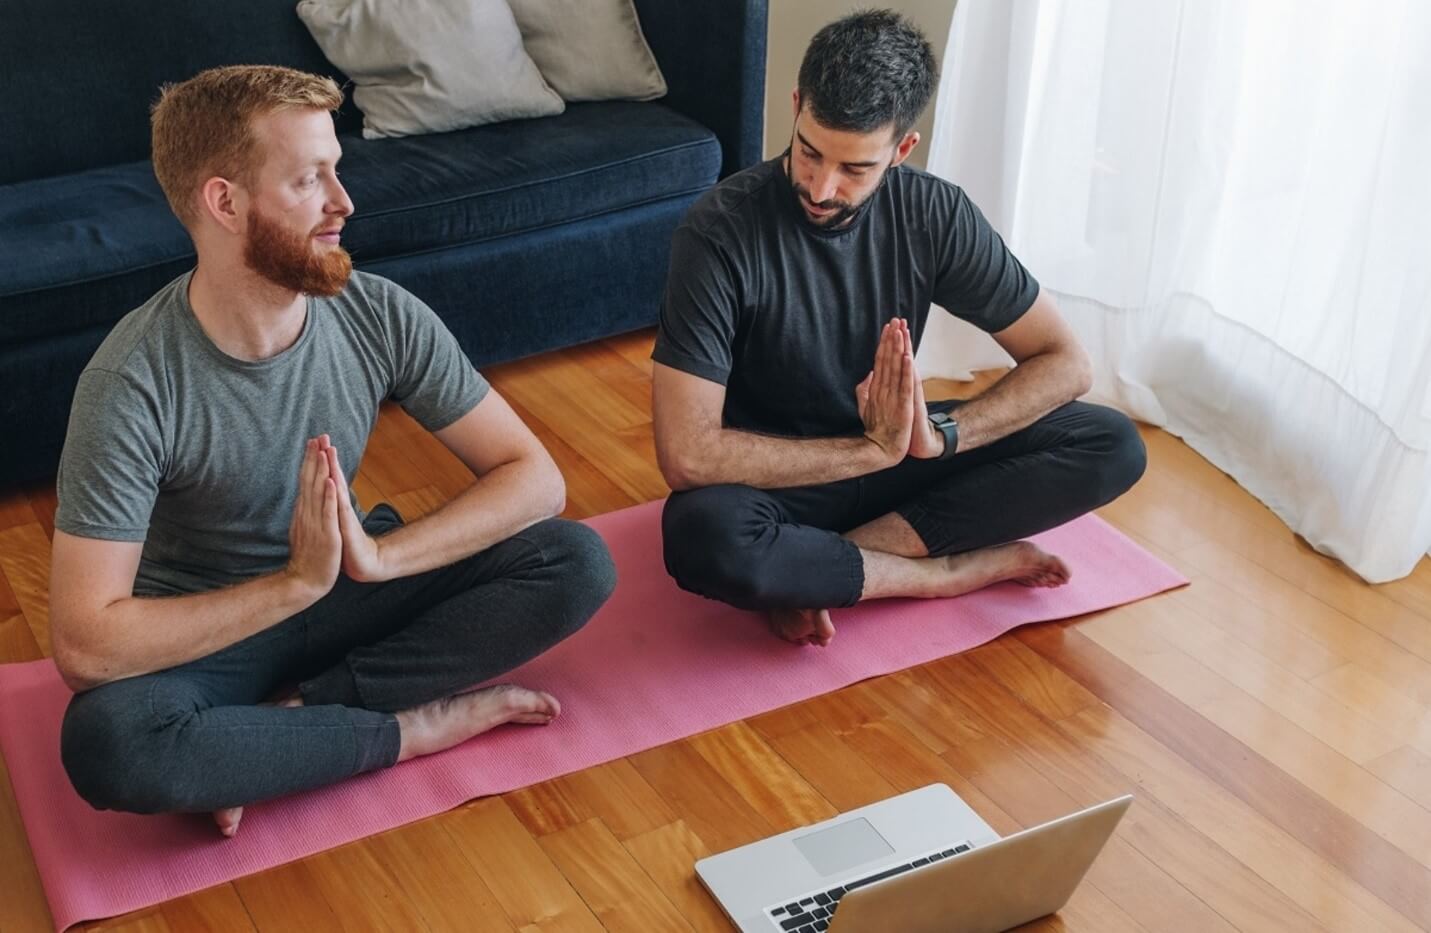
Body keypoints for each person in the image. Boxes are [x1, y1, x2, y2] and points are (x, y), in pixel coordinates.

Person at [48, 65, 616, 836]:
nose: (343, 203)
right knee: (108, 741)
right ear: (225, 202)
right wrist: (289, 585)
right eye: (309, 180)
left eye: (336, 173)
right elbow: (84, 644)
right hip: (209, 632)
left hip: (350, 584)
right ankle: (404, 731)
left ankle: (292, 725)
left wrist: (381, 561)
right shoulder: (131, 381)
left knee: (576, 560)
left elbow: (534, 480)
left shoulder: (376, 312)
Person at [653, 10, 1146, 647]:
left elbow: (1065, 362)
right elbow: (687, 454)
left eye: (855, 169)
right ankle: (934, 575)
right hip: (781, 477)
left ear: (902, 149)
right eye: (809, 152)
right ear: (797, 106)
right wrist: (867, 450)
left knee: (1109, 442)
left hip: (901, 452)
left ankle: (826, 570)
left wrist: (940, 435)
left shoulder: (935, 213)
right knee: (701, 534)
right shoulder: (717, 233)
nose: (822, 187)